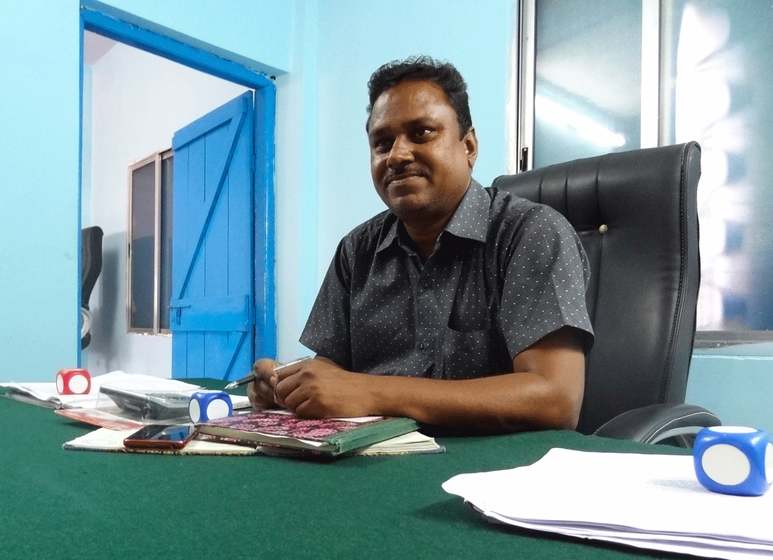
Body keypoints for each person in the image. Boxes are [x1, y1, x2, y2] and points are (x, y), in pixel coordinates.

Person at [249, 56, 594, 433]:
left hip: (496, 472)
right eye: (382, 143)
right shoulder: (357, 250)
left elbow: (556, 400)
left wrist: (374, 392)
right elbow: (333, 370)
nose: (396, 155)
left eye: (421, 133)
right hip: (375, 461)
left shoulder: (530, 232)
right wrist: (292, 387)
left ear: (469, 145)